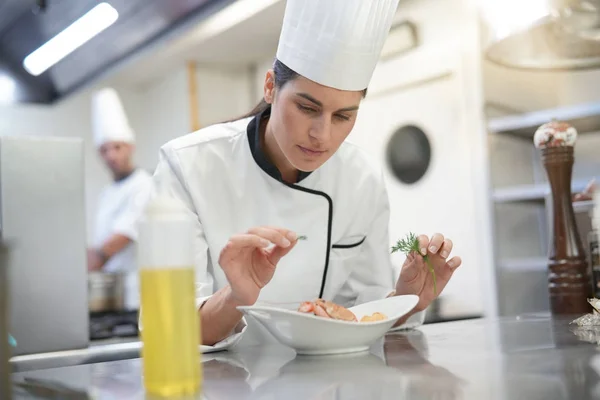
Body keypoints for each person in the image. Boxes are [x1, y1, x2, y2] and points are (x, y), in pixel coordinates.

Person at [151, 0, 463, 347]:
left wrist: (406, 300)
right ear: (270, 87)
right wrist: (236, 295)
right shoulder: (188, 165)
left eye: (343, 116)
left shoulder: (361, 178)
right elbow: (171, 332)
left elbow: (364, 315)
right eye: (306, 107)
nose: (322, 135)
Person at [88, 87, 153, 310]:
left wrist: (90, 261)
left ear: (130, 147)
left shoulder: (144, 185)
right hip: (111, 294)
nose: (111, 155)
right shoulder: (107, 192)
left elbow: (121, 237)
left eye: (117, 147)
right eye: (104, 150)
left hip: (136, 294)